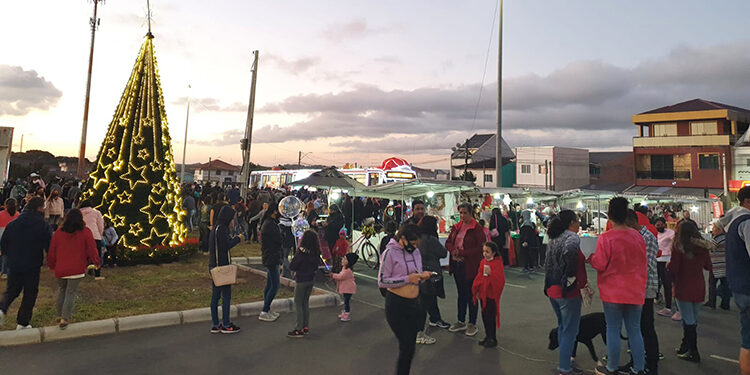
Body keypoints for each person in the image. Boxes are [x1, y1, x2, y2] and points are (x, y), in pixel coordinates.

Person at [589, 197, 647, 375]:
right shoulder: (638, 236)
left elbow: (600, 264)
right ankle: (639, 368)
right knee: (635, 331)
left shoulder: (606, 238)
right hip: (636, 291)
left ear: (610, 216)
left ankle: (612, 367)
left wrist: (591, 258)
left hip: (613, 292)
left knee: (613, 329)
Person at [378, 224, 432, 375]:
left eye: (417, 244)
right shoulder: (389, 253)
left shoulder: (416, 252)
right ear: (402, 238)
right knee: (407, 347)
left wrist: (422, 276)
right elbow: (382, 281)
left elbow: (416, 274)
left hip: (414, 304)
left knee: (409, 348)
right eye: (412, 243)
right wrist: (408, 278)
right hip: (396, 306)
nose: (415, 247)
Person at [544, 210, 587, 375]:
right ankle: (564, 368)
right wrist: (570, 278)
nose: (578, 224)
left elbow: (547, 263)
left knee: (563, 327)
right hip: (567, 291)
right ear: (571, 222)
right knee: (570, 330)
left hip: (552, 289)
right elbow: (570, 253)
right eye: (577, 220)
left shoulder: (554, 238)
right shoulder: (572, 237)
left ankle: (565, 362)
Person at [0, 197, 52, 329]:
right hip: (32, 263)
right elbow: (49, 244)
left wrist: (9, 255)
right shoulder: (43, 225)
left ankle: (1, 309)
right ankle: (22, 322)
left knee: (12, 290)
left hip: (14, 262)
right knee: (30, 292)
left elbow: (4, 242)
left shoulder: (15, 223)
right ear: (39, 208)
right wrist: (50, 259)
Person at [667, 221, 713, 363]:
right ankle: (685, 347)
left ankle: (693, 351)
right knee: (692, 319)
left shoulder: (678, 247)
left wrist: (668, 267)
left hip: (683, 286)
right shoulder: (702, 248)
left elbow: (674, 268)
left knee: (688, 321)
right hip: (699, 286)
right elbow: (708, 266)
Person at [47, 209, 100, 329]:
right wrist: (96, 262)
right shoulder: (85, 232)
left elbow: (52, 251)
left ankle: (59, 314)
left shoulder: (59, 233)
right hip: (76, 268)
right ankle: (64, 318)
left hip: (61, 268)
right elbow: (92, 249)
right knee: (70, 293)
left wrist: (52, 265)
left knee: (62, 290)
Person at [625, 209, 660, 374]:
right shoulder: (636, 236)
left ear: (631, 221)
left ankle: (652, 365)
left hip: (645, 288)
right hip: (635, 288)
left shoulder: (647, 238)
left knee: (646, 327)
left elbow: (642, 264)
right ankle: (635, 362)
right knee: (634, 327)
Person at [721, 186, 750, 375]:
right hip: (748, 286)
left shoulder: (732, 220)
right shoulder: (747, 222)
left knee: (747, 337)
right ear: (747, 201)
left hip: (740, 286)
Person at [446, 202, 486, 337]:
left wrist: (462, 253)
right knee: (461, 294)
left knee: (472, 295)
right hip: (458, 265)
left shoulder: (477, 228)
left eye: (465, 213)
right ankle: (461, 320)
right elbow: (448, 243)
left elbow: (480, 249)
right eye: (460, 213)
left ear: (471, 213)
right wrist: (454, 251)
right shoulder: (456, 227)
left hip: (471, 266)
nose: (462, 216)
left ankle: (472, 323)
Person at [414, 216, 449, 345]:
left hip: (419, 273)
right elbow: (443, 253)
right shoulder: (430, 240)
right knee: (425, 301)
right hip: (430, 274)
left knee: (428, 298)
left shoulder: (418, 239)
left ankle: (435, 318)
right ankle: (419, 332)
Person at [208, 205, 243, 334]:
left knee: (215, 296)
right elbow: (226, 245)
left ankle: (216, 324)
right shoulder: (222, 229)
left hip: (214, 265)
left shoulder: (215, 228)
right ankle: (227, 324)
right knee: (226, 296)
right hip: (222, 266)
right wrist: (237, 239)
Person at [288, 230, 321, 338]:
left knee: (298, 303)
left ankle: (299, 328)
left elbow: (292, 266)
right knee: (305, 303)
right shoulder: (316, 253)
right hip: (311, 279)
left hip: (301, 279)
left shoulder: (301, 253)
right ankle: (305, 326)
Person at [472, 241, 505, 348]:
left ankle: (492, 337)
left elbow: (500, 280)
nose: (485, 254)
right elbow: (479, 276)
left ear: (494, 253)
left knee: (491, 317)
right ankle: (488, 335)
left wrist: (491, 274)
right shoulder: (482, 262)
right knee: (485, 316)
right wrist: (476, 290)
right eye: (484, 251)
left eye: (487, 252)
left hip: (491, 295)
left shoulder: (497, 263)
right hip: (483, 293)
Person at [259, 204, 282, 322]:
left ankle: (267, 309)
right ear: (274, 212)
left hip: (270, 256)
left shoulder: (268, 223)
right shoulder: (271, 225)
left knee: (270, 284)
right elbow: (279, 239)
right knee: (275, 285)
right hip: (272, 257)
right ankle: (264, 309)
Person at [654, 218, 677, 319]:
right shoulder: (654, 234)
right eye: (657, 225)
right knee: (656, 282)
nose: (659, 227)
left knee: (667, 284)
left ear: (664, 224)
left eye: (660, 225)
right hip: (656, 261)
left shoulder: (670, 233)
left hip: (667, 260)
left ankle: (668, 307)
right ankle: (657, 296)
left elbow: (675, 243)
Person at [706, 220, 730, 310]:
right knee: (725, 284)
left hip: (717, 265)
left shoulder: (719, 238)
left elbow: (710, 246)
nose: (712, 229)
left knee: (712, 283)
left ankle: (712, 302)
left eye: (714, 228)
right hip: (725, 264)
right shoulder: (727, 237)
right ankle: (725, 303)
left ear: (720, 229)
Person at [79, 199, 105, 280]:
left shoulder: (78, 213)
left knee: (82, 256)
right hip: (95, 235)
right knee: (96, 256)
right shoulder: (96, 213)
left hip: (82, 237)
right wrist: (99, 235)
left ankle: (81, 272)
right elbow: (100, 225)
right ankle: (97, 274)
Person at [332, 252, 358, 322]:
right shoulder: (345, 269)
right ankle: (345, 312)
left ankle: (347, 314)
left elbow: (341, 276)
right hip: (347, 289)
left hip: (348, 289)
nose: (343, 260)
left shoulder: (348, 271)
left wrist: (333, 275)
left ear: (349, 262)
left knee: (346, 302)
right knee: (346, 301)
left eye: (345, 259)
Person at [0, 198, 20, 279]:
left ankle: (3, 271)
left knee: (3, 253)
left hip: (1, 233)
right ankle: (7, 271)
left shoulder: (1, 214)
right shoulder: (18, 215)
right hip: (13, 236)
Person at [520, 205, 541, 272]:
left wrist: (525, 241)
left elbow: (526, 234)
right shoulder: (531, 224)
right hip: (531, 242)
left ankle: (526, 267)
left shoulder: (526, 224)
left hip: (526, 242)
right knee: (530, 254)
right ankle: (531, 266)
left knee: (526, 254)